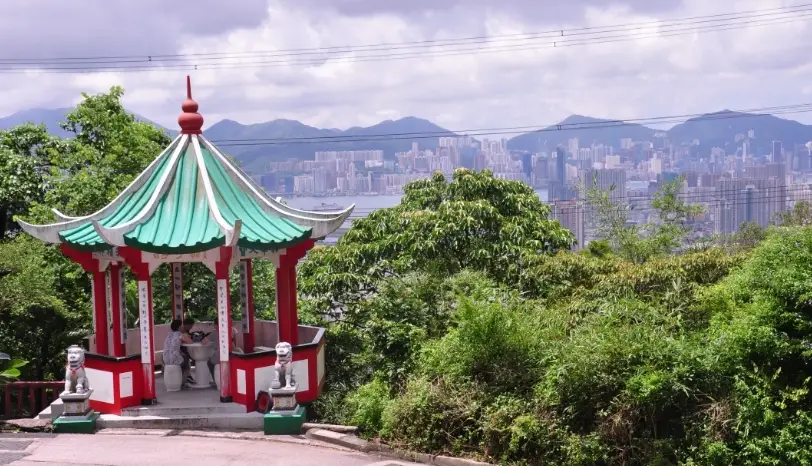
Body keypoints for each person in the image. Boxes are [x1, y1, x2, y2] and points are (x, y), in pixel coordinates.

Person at [207, 316, 239, 386]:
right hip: (233, 352)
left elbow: (204, 342)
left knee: (209, 362)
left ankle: (216, 380)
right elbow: (235, 342)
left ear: (216, 324)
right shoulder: (232, 330)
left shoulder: (214, 333)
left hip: (220, 354)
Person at [163, 319, 194, 389]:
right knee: (184, 359)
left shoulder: (169, 334)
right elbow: (190, 341)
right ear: (179, 327)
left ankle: (183, 380)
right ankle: (186, 377)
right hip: (173, 358)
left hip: (165, 358)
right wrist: (186, 337)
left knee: (182, 356)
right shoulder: (179, 334)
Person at [180, 317, 196, 385]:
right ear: (188, 325)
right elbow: (189, 341)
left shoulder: (186, 330)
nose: (191, 328)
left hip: (183, 348)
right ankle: (188, 376)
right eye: (191, 326)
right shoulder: (181, 331)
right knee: (186, 356)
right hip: (180, 349)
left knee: (191, 356)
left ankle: (187, 376)